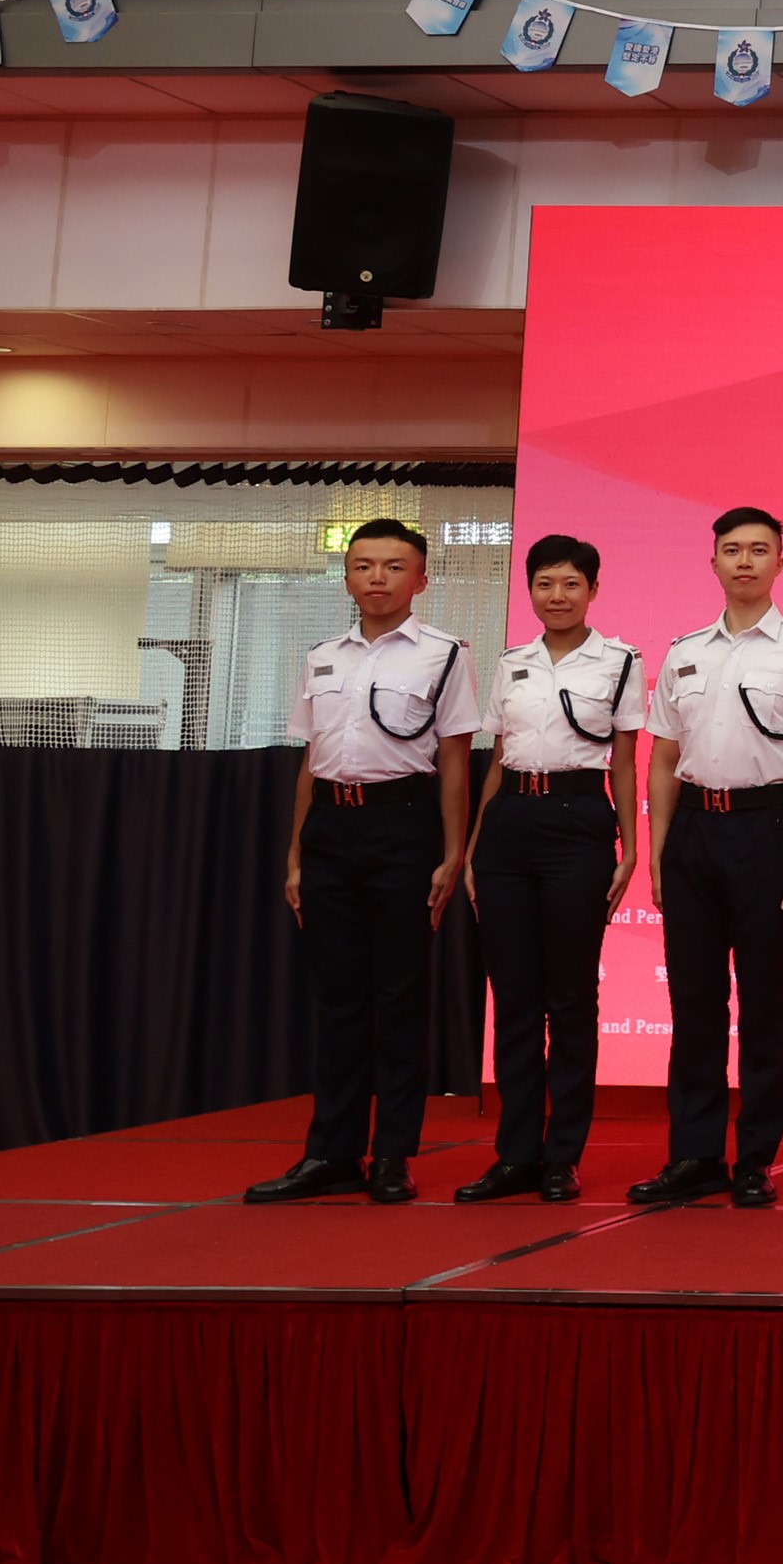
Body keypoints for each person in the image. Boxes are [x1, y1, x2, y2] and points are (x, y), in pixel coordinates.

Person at [247, 517, 478, 1207]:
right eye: (363, 565)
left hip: (403, 827)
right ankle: (332, 1152)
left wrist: (450, 853)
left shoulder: (445, 655)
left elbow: (457, 766)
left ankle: (394, 1155)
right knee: (338, 1000)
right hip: (329, 832)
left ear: (421, 578)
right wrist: (295, 855)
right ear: (346, 575)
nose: (376, 578)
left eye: (392, 566)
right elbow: (309, 764)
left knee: (400, 999)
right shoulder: (323, 654)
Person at [633, 506, 783, 1209]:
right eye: (731, 550)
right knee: (692, 1003)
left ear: (782, 562)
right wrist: (658, 849)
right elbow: (661, 758)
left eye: (759, 550)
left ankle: (753, 1158)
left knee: (762, 1003)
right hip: (691, 831)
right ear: (712, 561)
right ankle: (692, 1154)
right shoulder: (686, 650)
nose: (744, 561)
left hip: (766, 833)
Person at [455, 532, 637, 1206]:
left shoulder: (619, 663)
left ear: (592, 590)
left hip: (579, 823)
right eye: (544, 584)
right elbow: (500, 758)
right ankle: (515, 1155)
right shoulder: (512, 663)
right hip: (509, 830)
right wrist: (475, 847)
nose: (556, 596)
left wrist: (629, 847)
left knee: (570, 1000)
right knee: (515, 1001)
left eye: (570, 584)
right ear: (529, 590)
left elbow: (622, 759)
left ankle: (564, 1157)